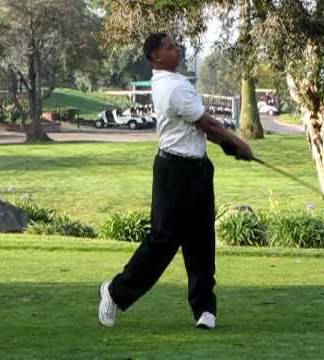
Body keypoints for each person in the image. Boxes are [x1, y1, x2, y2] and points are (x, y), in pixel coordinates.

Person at [98, 33, 253, 330]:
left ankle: (205, 309)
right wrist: (237, 145)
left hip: (198, 168)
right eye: (170, 47)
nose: (177, 49)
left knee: (201, 238)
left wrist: (229, 146)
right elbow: (207, 124)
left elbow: (203, 128)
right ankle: (115, 292)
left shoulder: (176, 83)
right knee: (162, 241)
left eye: (176, 45)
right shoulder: (171, 87)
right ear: (156, 57)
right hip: (174, 172)